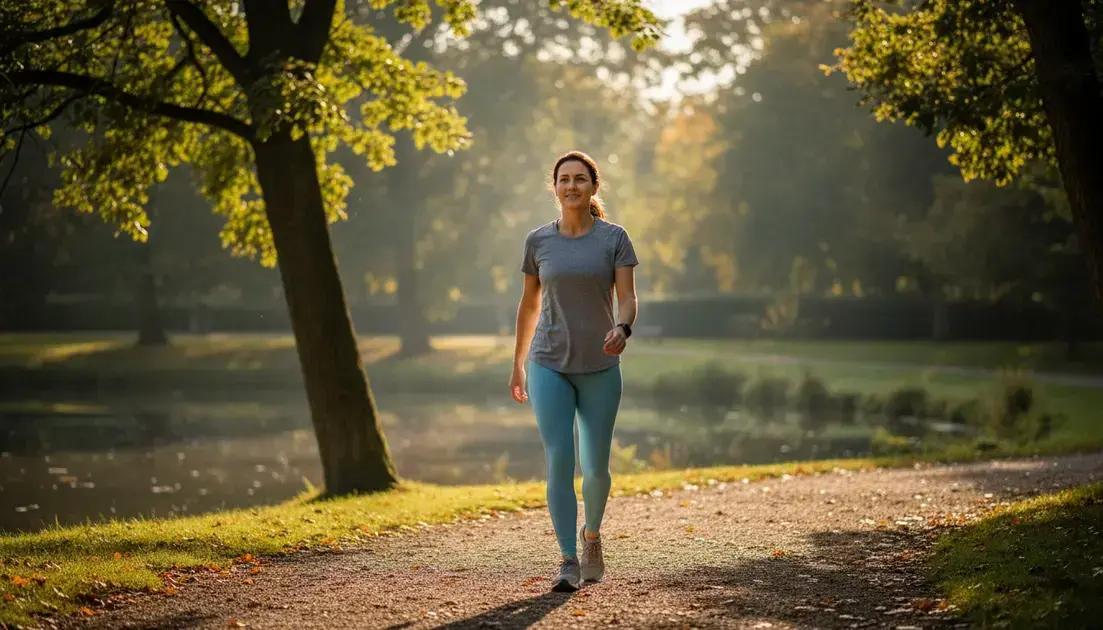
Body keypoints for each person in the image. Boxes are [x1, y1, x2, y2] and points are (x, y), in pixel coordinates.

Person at [509, 150, 639, 592]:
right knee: (560, 460)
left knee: (596, 467)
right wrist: (518, 364)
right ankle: (567, 558)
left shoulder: (614, 238)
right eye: (563, 179)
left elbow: (628, 297)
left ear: (593, 186)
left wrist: (623, 327)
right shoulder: (538, 241)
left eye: (579, 179)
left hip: (600, 365)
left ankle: (592, 536)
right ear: (555, 187)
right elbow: (529, 305)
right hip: (548, 362)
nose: (571, 186)